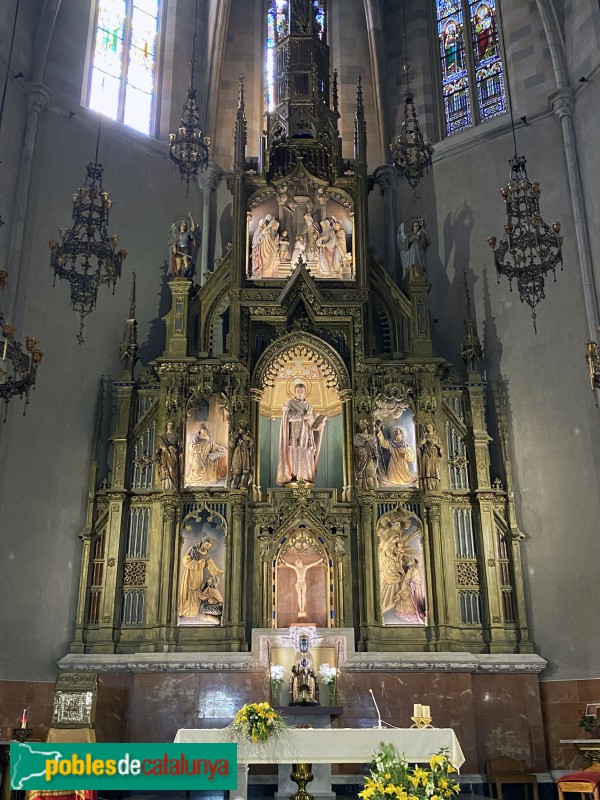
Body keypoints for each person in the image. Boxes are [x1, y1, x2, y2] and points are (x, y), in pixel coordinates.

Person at [276, 383, 326, 486]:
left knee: (307, 452)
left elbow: (310, 421)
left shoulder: (308, 405)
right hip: (295, 434)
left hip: (307, 434)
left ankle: (305, 477)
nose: (300, 393)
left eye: (302, 391)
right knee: (294, 453)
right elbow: (286, 417)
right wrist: (302, 416)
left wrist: (318, 423)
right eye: (298, 391)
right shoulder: (290, 403)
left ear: (305, 392)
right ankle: (294, 477)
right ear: (295, 392)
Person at [178, 538, 224, 618]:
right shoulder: (193, 549)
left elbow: (210, 564)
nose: (207, 547)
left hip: (199, 576)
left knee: (197, 592)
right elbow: (185, 560)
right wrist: (198, 564)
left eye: (209, 546)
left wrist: (217, 571)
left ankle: (194, 612)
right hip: (190, 574)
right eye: (206, 545)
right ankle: (185, 611)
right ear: (202, 542)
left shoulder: (207, 554)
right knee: (189, 592)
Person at [353, 419, 379, 490]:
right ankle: (360, 489)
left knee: (370, 472)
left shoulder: (371, 437)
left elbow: (375, 447)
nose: (361, 425)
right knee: (360, 474)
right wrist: (365, 442)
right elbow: (355, 444)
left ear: (367, 425)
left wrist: (370, 444)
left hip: (370, 456)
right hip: (361, 457)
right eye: (360, 424)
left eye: (363, 424)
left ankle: (371, 489)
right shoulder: (357, 436)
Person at [418, 422, 444, 490]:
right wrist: (422, 442)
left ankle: (434, 485)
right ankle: (427, 485)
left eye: (430, 426)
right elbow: (419, 446)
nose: (429, 428)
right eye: (427, 427)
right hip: (426, 454)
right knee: (427, 469)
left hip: (434, 454)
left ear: (433, 427)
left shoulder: (437, 437)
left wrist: (435, 444)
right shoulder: (424, 436)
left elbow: (441, 447)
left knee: (434, 469)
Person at [156, 420, 180, 490]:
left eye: (172, 425)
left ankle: (173, 486)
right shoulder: (163, 436)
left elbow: (180, 446)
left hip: (173, 453)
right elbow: (159, 445)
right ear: (166, 425)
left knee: (172, 469)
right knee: (165, 469)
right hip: (165, 454)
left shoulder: (176, 435)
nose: (170, 426)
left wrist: (180, 452)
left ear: (173, 426)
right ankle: (166, 486)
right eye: (169, 424)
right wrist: (162, 447)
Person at [229, 420, 254, 489]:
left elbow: (252, 445)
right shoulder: (235, 434)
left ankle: (243, 485)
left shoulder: (248, 435)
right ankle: (235, 485)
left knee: (246, 471)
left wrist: (250, 440)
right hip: (237, 452)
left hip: (246, 453)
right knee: (237, 471)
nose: (243, 425)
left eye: (244, 424)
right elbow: (231, 445)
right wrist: (234, 438)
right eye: (241, 424)